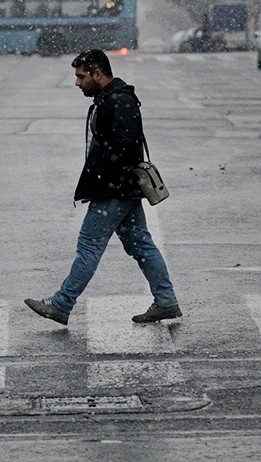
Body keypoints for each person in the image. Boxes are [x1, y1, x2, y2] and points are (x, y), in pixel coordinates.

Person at [25, 49, 181, 325]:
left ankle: (62, 303)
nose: (77, 83)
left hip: (114, 189)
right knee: (142, 245)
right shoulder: (110, 98)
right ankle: (166, 301)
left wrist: (100, 175)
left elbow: (125, 146)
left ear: (98, 74)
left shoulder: (119, 100)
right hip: (119, 187)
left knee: (89, 245)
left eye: (81, 77)